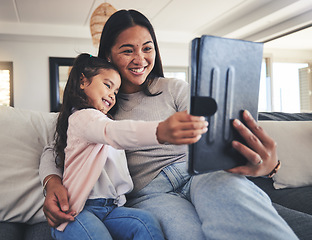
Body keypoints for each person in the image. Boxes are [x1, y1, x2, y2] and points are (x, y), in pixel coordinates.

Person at [40, 10, 299, 239]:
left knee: (235, 202)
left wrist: (268, 165)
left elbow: (215, 133)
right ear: (107, 54)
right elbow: (56, 148)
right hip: (151, 194)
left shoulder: (174, 89)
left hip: (198, 175)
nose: (140, 58)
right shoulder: (98, 106)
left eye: (147, 48)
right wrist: (52, 183)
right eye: (127, 50)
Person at [49, 53, 208, 240]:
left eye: (116, 92)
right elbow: (113, 132)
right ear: (83, 81)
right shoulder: (82, 118)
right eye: (107, 85)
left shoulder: (105, 119)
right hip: (78, 210)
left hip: (110, 208)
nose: (112, 95)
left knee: (145, 223)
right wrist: (160, 130)